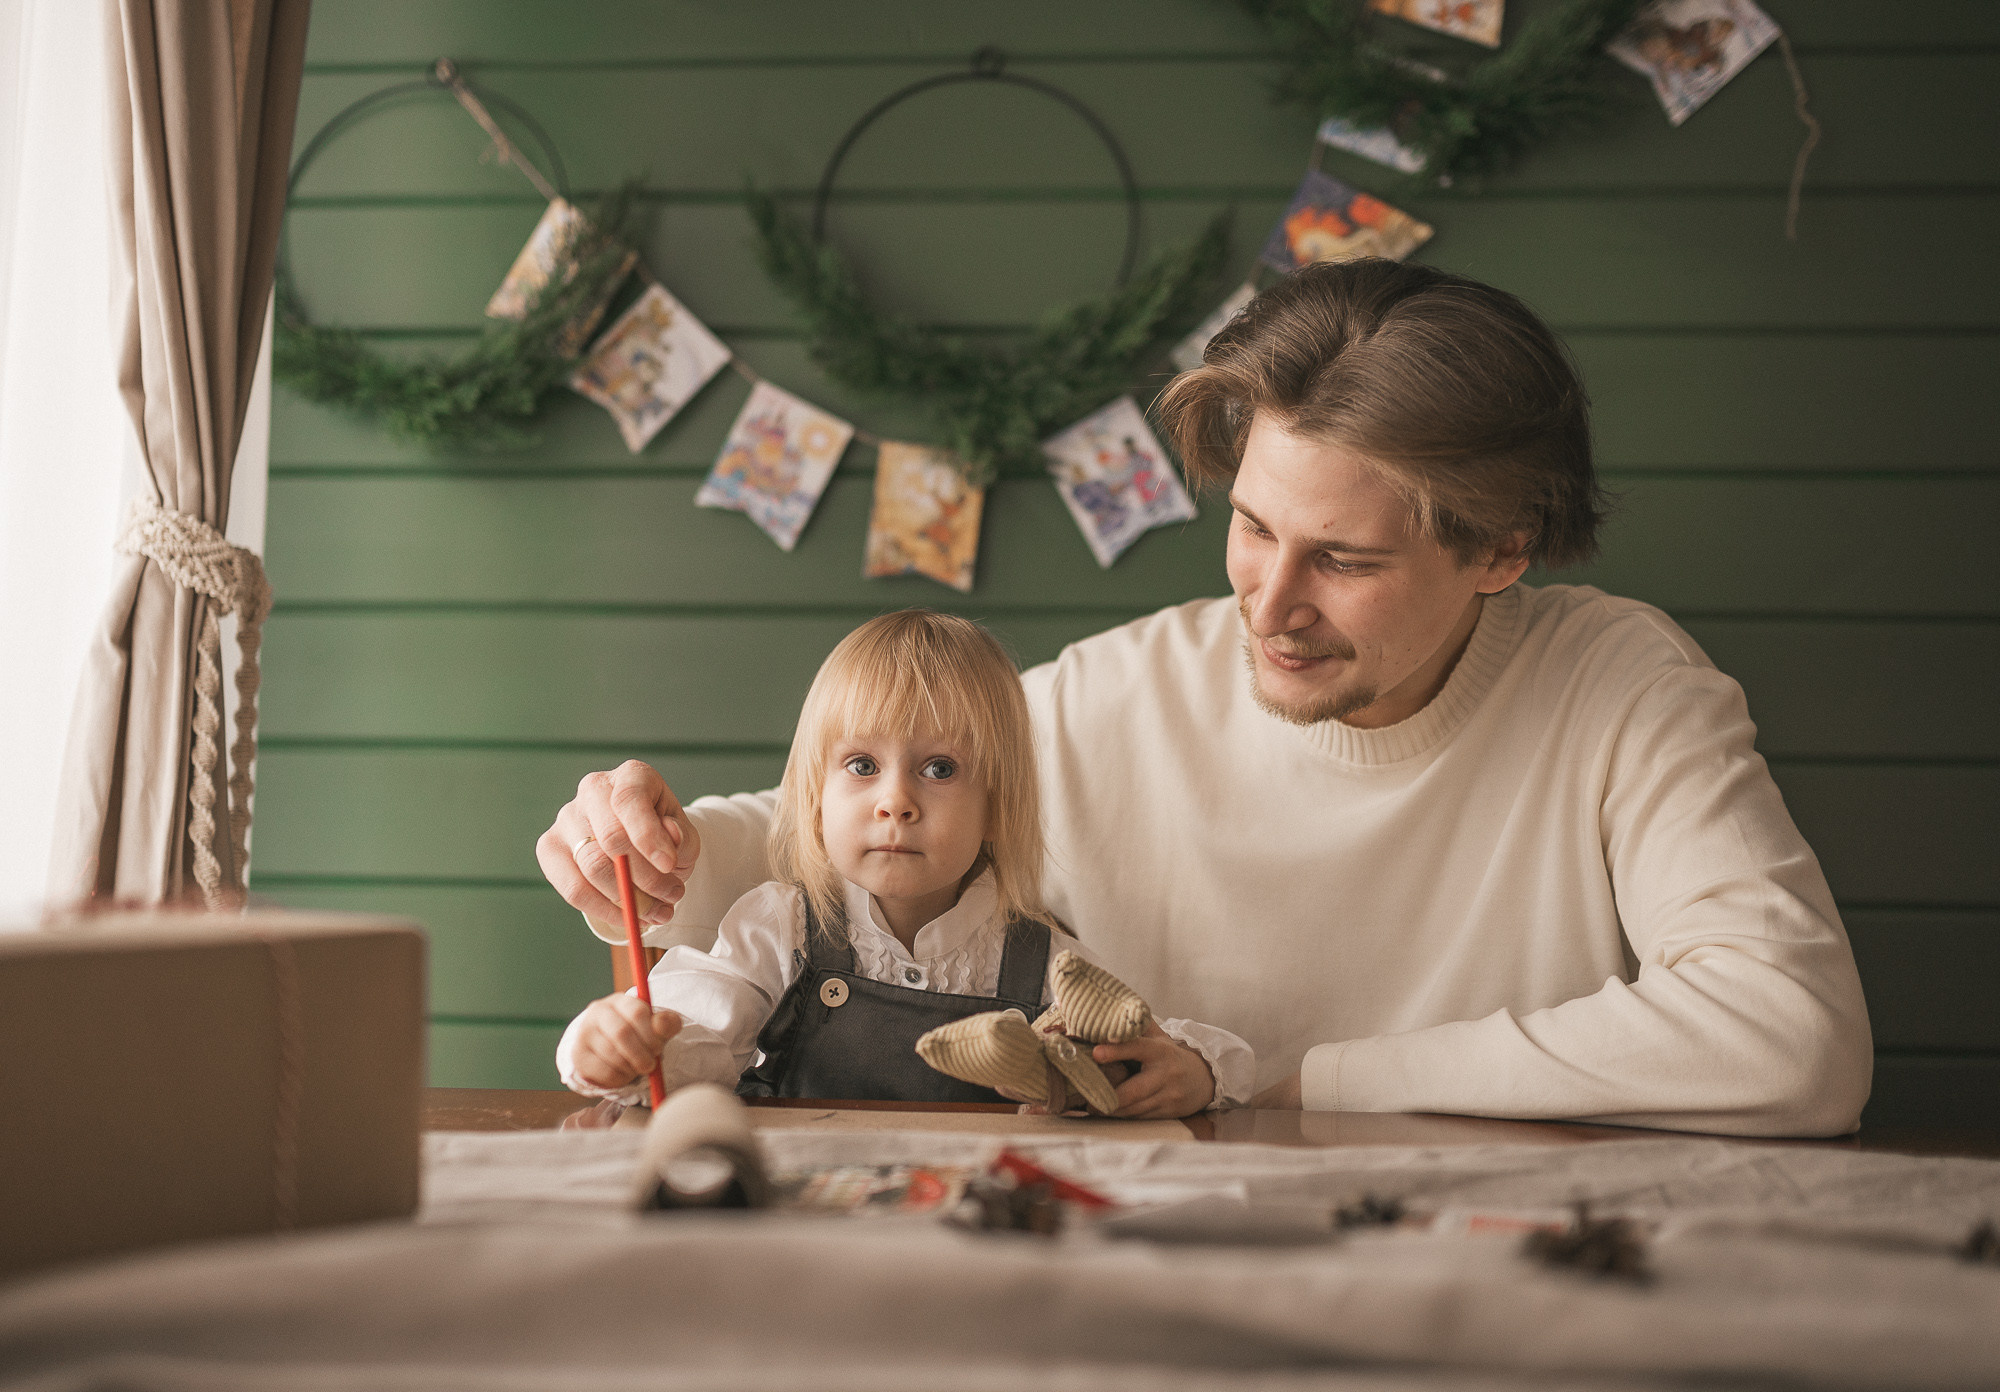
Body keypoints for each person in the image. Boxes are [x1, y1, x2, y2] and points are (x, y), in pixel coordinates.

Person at [540, 260, 1872, 1136]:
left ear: (1501, 550)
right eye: (1251, 528)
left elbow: (1793, 1041)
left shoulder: (1620, 686)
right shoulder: (1125, 691)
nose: (1268, 605)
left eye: (1343, 560)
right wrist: (655, 849)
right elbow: (825, 837)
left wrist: (1316, 1081)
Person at [556, 608, 1253, 1117]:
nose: (896, 801)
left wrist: (1195, 1072)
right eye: (862, 765)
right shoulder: (781, 926)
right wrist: (627, 1048)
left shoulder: (1041, 956)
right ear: (815, 800)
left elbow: (1147, 1042)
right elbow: (698, 1042)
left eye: (940, 768)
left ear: (997, 807)